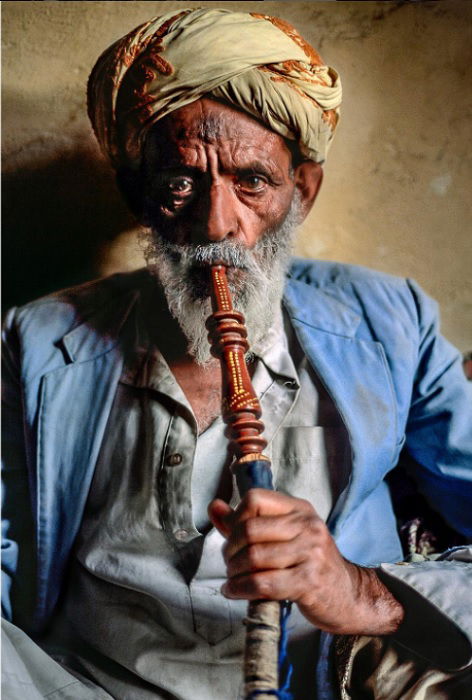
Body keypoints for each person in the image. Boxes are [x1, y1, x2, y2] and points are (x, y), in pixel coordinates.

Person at [2, 8, 471, 700]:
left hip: (326, 684)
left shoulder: (391, 323)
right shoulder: (34, 343)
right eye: (179, 185)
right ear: (139, 195)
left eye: (252, 181)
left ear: (301, 191)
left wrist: (362, 591)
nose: (218, 225)